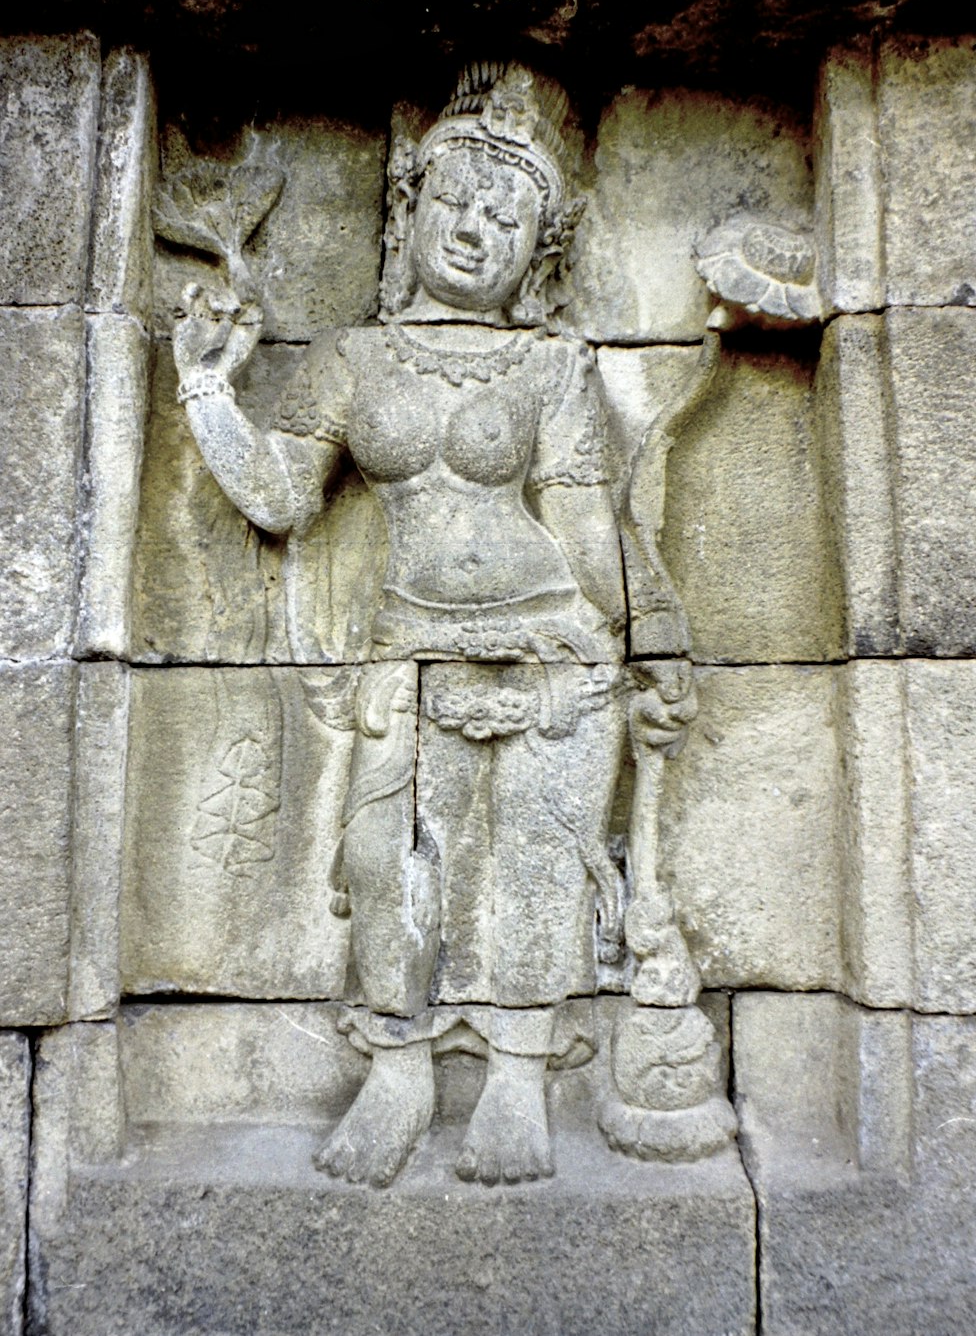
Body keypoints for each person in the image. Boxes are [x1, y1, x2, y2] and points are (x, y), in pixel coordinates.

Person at [172, 64, 645, 1187]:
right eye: (454, 200)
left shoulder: (550, 364)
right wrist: (206, 389)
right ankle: (396, 1077)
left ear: (540, 251)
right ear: (408, 206)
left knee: (535, 862)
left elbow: (586, 524)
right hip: (405, 646)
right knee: (390, 867)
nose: (473, 230)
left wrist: (653, 638)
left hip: (552, 646)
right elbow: (287, 498)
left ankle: (521, 1085)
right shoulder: (356, 358)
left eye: (505, 214)